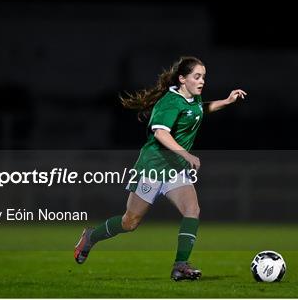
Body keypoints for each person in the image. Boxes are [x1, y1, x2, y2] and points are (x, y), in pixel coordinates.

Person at [74, 56, 247, 281]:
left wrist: (226, 101)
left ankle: (180, 266)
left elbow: (198, 111)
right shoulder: (169, 102)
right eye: (197, 76)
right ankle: (91, 237)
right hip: (153, 167)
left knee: (192, 210)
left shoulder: (193, 98)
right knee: (130, 222)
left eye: (203, 76)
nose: (202, 81)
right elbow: (160, 133)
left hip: (175, 168)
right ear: (182, 79)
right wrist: (186, 154)